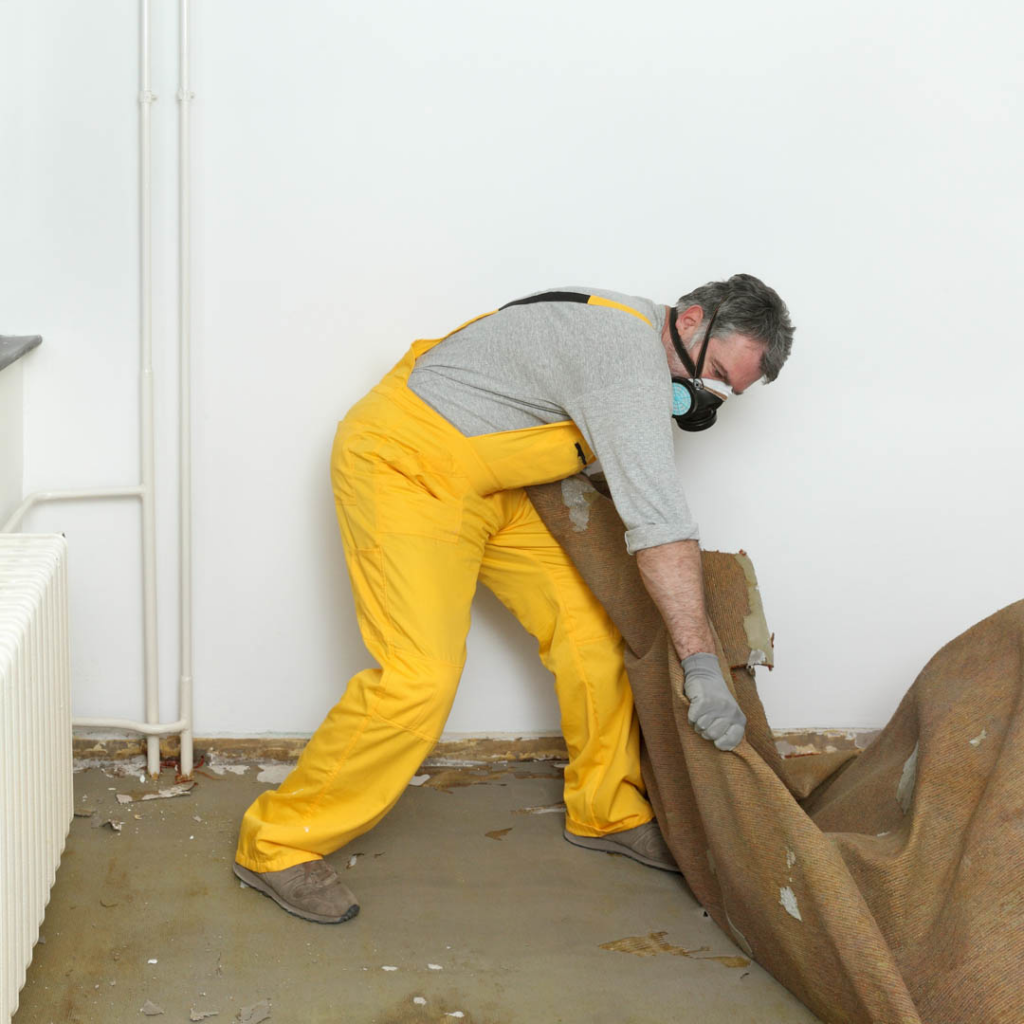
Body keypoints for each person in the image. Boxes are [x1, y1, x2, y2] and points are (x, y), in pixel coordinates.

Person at [233, 274, 795, 923]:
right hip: (407, 467)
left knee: (592, 635)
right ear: (693, 319)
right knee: (421, 677)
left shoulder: (633, 336)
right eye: (716, 375)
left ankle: (605, 810)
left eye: (728, 391)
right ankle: (276, 843)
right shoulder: (623, 359)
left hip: (495, 487)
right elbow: (660, 525)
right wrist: (700, 661)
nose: (709, 397)